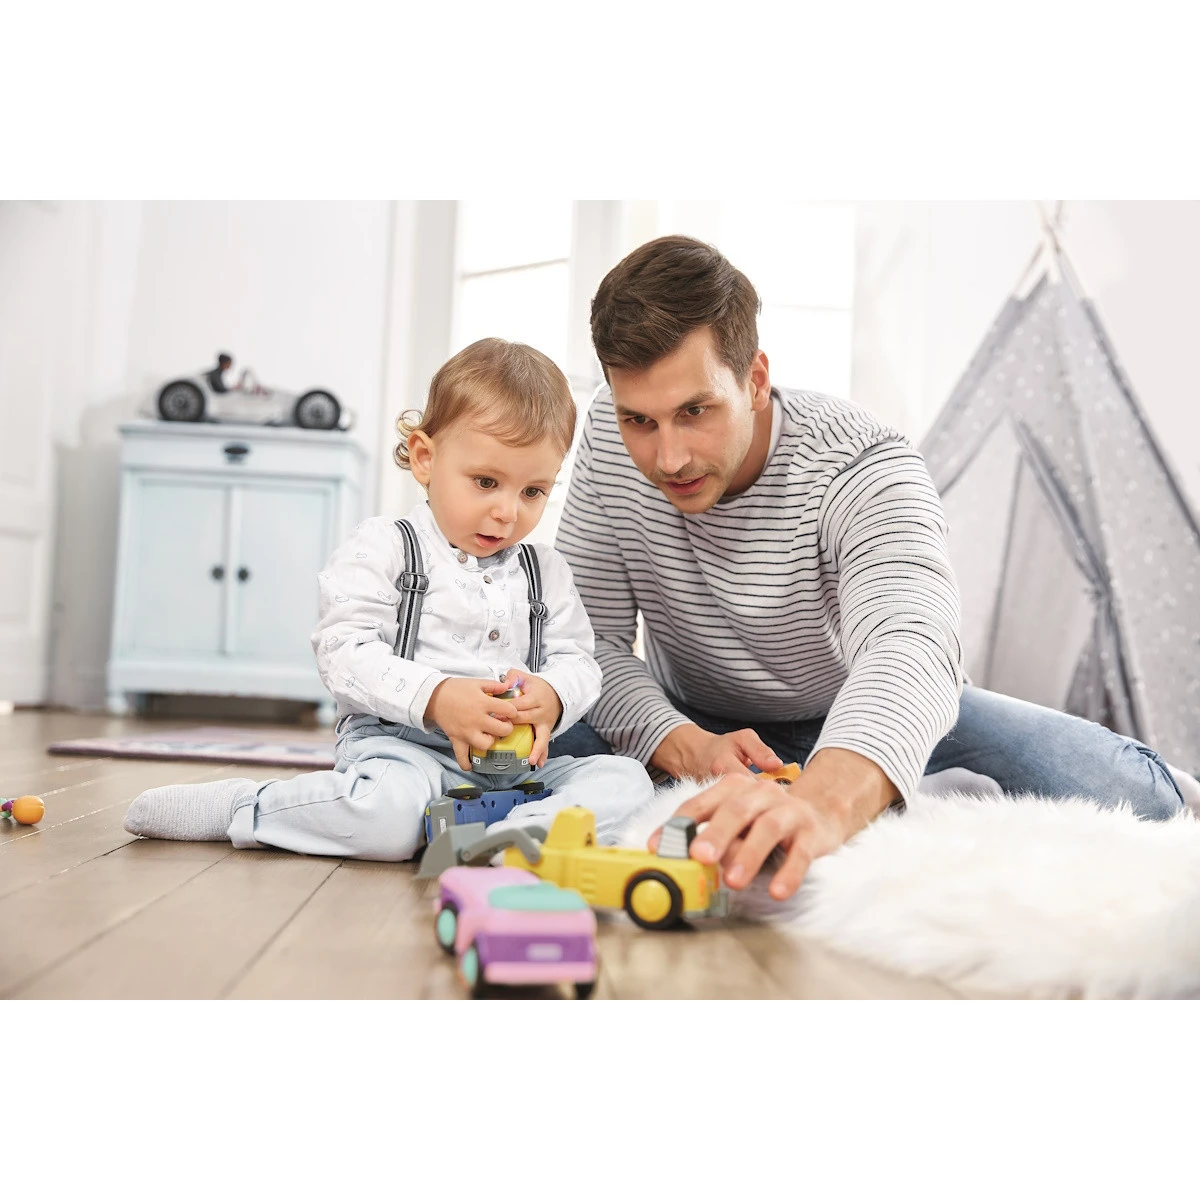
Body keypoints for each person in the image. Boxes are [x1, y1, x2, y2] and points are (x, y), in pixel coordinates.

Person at [551, 235, 1193, 903]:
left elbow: (911, 641)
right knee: (537, 727)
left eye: (695, 411)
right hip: (693, 712)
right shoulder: (607, 437)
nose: (668, 458)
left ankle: (878, 778)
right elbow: (589, 641)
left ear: (756, 380)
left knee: (1119, 790)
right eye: (640, 420)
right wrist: (685, 746)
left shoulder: (863, 461)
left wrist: (824, 801)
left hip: (851, 706)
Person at [124, 338, 654, 859]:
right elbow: (342, 650)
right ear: (425, 458)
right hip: (405, 755)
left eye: (533, 491)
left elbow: (579, 660)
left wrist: (554, 694)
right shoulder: (386, 547)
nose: (508, 512)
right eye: (486, 481)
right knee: (387, 815)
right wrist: (436, 696)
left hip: (522, 771)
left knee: (627, 779)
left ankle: (514, 836)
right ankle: (247, 808)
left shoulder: (547, 571)